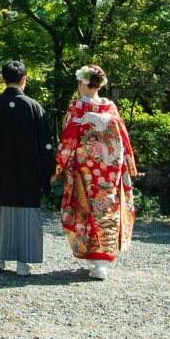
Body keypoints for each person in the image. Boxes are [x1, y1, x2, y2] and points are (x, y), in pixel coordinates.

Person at [53, 63, 137, 281]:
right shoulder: (111, 108)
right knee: (108, 211)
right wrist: (128, 164)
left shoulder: (79, 108)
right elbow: (124, 141)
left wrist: (59, 165)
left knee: (86, 209)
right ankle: (101, 262)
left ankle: (94, 258)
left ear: (83, 82)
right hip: (110, 172)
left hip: (86, 172)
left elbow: (68, 138)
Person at [0, 59, 51, 275]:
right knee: (27, 213)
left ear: (3, 79)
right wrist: (49, 170)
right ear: (24, 80)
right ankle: (23, 263)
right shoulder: (34, 107)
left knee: (1, 211)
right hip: (28, 172)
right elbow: (45, 143)